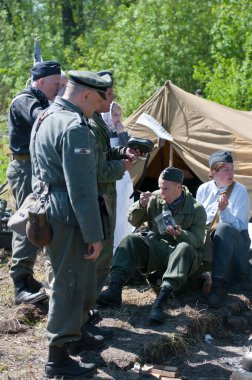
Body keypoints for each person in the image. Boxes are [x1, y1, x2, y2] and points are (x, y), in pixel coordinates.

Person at [30, 70, 112, 378]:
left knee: (73, 280)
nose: (96, 110)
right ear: (87, 95)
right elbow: (81, 188)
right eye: (97, 102)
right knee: (69, 284)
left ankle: (75, 337)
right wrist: (94, 234)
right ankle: (58, 360)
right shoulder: (74, 126)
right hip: (69, 217)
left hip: (49, 209)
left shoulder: (46, 116)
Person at [98, 167, 207, 324]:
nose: (161, 192)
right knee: (130, 240)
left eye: (165, 188)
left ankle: (160, 303)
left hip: (181, 255)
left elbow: (198, 242)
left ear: (179, 187)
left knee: (184, 248)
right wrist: (141, 205)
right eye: (160, 187)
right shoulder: (155, 198)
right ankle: (114, 290)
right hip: (157, 247)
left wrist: (180, 234)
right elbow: (133, 221)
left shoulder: (196, 209)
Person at [6, 61, 61, 305]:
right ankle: (20, 283)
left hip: (35, 167)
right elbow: (41, 119)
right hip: (24, 167)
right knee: (29, 221)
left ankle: (27, 278)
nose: (59, 89)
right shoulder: (25, 100)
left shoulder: (41, 97)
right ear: (41, 82)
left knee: (38, 221)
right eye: (56, 84)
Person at [89, 71, 137, 305]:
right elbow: (101, 162)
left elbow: (120, 147)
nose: (115, 116)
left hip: (119, 179)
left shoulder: (110, 127)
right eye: (113, 112)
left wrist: (122, 135)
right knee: (107, 228)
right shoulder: (94, 123)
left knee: (120, 221)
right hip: (107, 182)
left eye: (118, 112)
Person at [196, 151, 251, 308]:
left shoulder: (239, 190)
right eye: (226, 169)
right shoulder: (203, 190)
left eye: (232, 169)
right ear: (214, 172)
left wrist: (224, 210)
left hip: (236, 243)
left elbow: (240, 226)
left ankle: (218, 286)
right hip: (209, 240)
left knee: (224, 228)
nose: (231, 173)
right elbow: (199, 218)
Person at [102, 101, 134, 250]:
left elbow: (130, 151)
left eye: (120, 115)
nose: (118, 118)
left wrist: (122, 133)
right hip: (109, 175)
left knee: (123, 211)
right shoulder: (101, 131)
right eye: (115, 114)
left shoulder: (120, 131)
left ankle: (123, 245)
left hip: (123, 177)